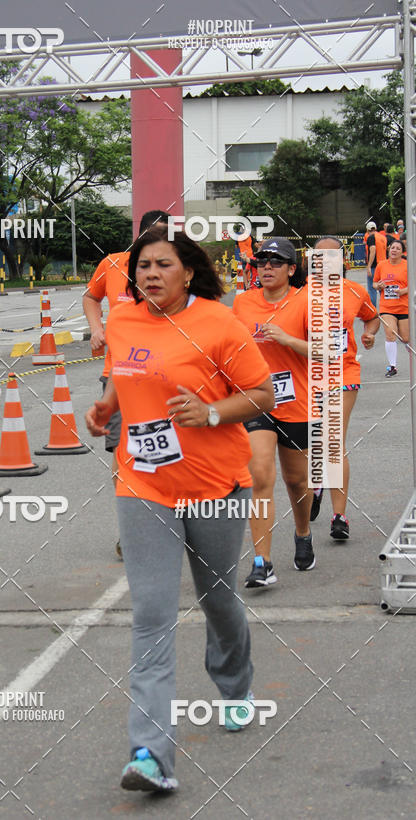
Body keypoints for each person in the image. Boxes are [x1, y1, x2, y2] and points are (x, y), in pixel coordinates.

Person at [85, 227, 274, 793]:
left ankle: (236, 686)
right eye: (142, 265)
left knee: (219, 600)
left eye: (162, 264)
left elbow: (262, 397)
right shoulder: (122, 320)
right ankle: (149, 755)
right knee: (151, 615)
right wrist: (107, 404)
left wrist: (211, 413)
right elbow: (127, 370)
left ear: (187, 271)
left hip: (215, 483)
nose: (149, 273)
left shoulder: (219, 323)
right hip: (144, 485)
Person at [83, 210, 169, 558]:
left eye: (163, 235)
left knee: (163, 454)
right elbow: (91, 297)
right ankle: (133, 529)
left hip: (167, 377)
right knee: (125, 455)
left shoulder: (174, 269)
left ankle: (170, 518)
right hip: (118, 376)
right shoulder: (113, 264)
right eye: (151, 233)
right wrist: (97, 327)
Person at [232, 237, 315, 587]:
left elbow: (327, 353)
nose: (266, 267)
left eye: (275, 262)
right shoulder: (242, 303)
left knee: (296, 480)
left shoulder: (306, 301)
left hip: (295, 402)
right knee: (260, 476)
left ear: (291, 270)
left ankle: (303, 531)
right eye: (261, 261)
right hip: (256, 401)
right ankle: (262, 562)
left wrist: (287, 340)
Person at [309, 237, 379, 540]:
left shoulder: (355, 291)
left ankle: (340, 516)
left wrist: (369, 335)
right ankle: (317, 483)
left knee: (333, 439)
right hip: (307, 375)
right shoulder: (300, 294)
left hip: (344, 372)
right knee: (314, 440)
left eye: (331, 254)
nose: (324, 259)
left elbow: (372, 318)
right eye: (319, 255)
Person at [373, 238, 409, 377]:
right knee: (390, 333)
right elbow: (375, 283)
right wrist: (379, 286)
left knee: (406, 338)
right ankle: (392, 366)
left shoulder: (407, 265)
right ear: (389, 249)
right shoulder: (381, 265)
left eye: (398, 248)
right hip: (387, 307)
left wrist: (403, 291)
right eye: (392, 248)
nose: (394, 250)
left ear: (402, 252)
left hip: (404, 306)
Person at [366, 222, 390, 308]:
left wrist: (369, 266)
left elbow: (373, 250)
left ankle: (373, 311)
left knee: (372, 288)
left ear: (368, 230)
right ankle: (387, 307)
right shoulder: (383, 237)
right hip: (383, 265)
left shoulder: (371, 238)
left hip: (374, 266)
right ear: (375, 228)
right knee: (382, 288)